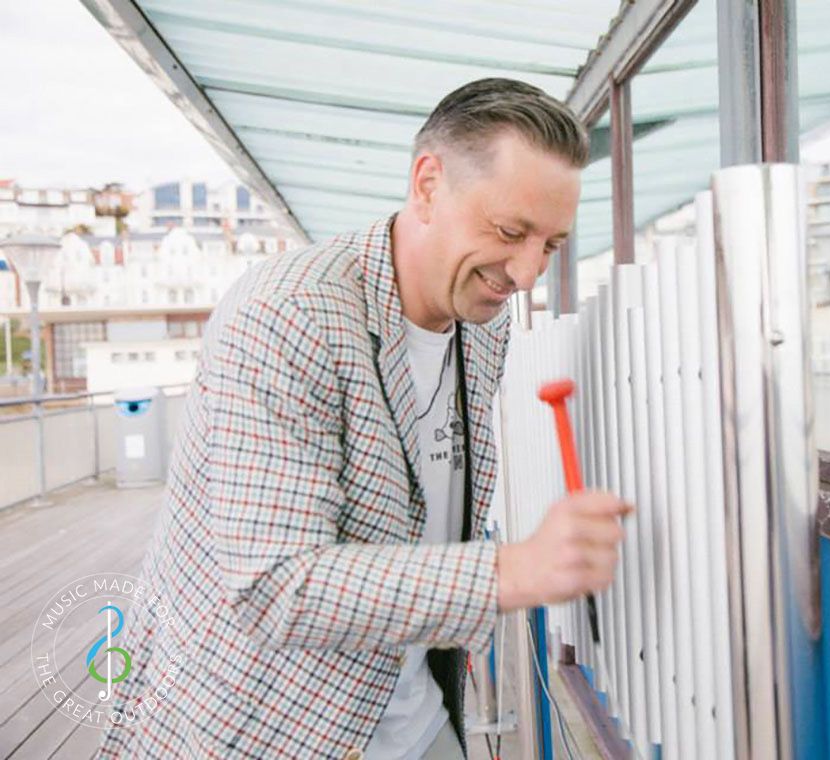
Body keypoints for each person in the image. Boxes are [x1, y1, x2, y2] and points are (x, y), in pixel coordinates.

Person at [96, 78, 630, 760]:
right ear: (428, 184)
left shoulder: (483, 323)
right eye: (509, 231)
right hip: (255, 728)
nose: (526, 274)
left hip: (410, 708)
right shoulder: (286, 315)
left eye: (550, 245)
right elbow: (273, 586)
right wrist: (513, 572)